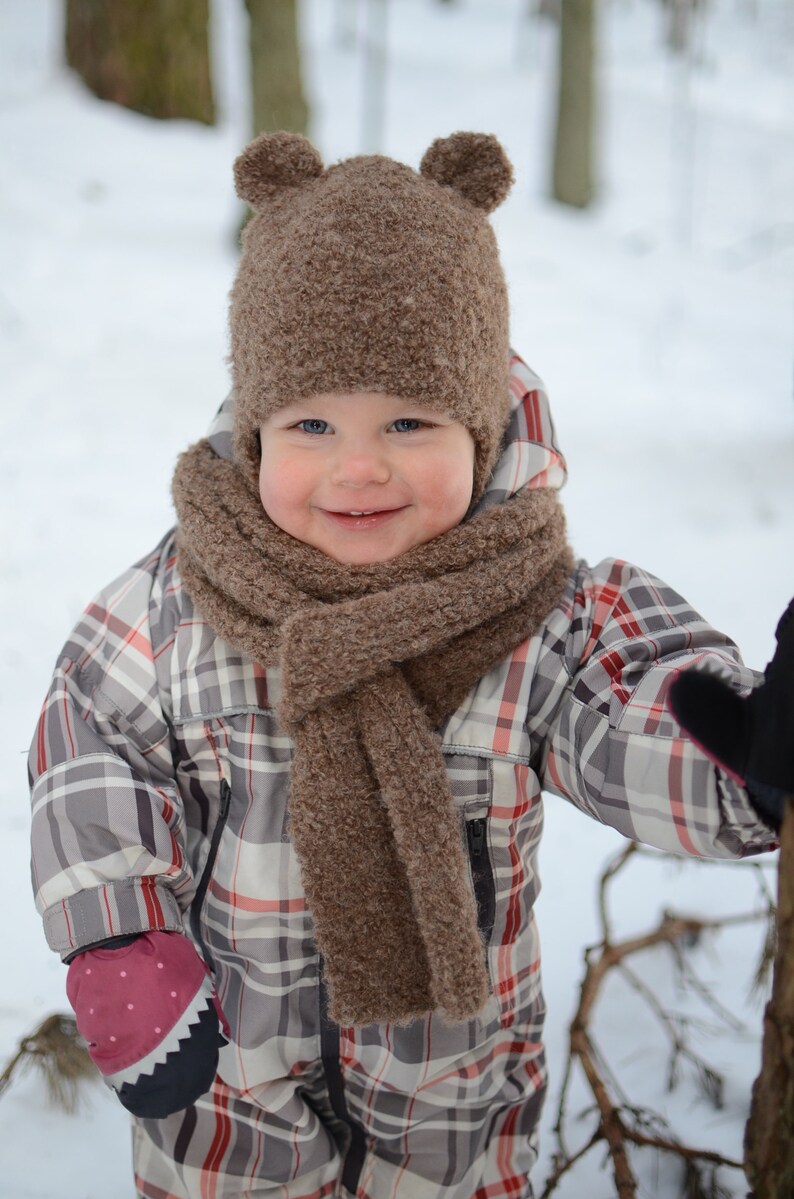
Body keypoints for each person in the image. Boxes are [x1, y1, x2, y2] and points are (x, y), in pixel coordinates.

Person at [29, 131, 792, 1199]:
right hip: (227, 1097)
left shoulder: (537, 609)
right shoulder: (182, 599)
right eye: (309, 422)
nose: (357, 465)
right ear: (252, 435)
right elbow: (88, 740)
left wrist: (746, 759)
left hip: (452, 1108)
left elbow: (636, 701)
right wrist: (121, 933)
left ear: (479, 427)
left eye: (407, 418)